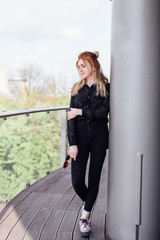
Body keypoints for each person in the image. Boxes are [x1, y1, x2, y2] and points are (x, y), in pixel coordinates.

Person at [67, 51, 110, 237]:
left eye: (83, 65)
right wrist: (72, 144)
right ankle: (90, 202)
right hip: (80, 140)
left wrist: (80, 112)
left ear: (93, 65)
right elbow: (70, 118)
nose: (80, 69)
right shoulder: (76, 89)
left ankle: (84, 217)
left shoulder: (106, 87)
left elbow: (103, 112)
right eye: (78, 67)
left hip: (100, 137)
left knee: (94, 178)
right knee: (77, 181)